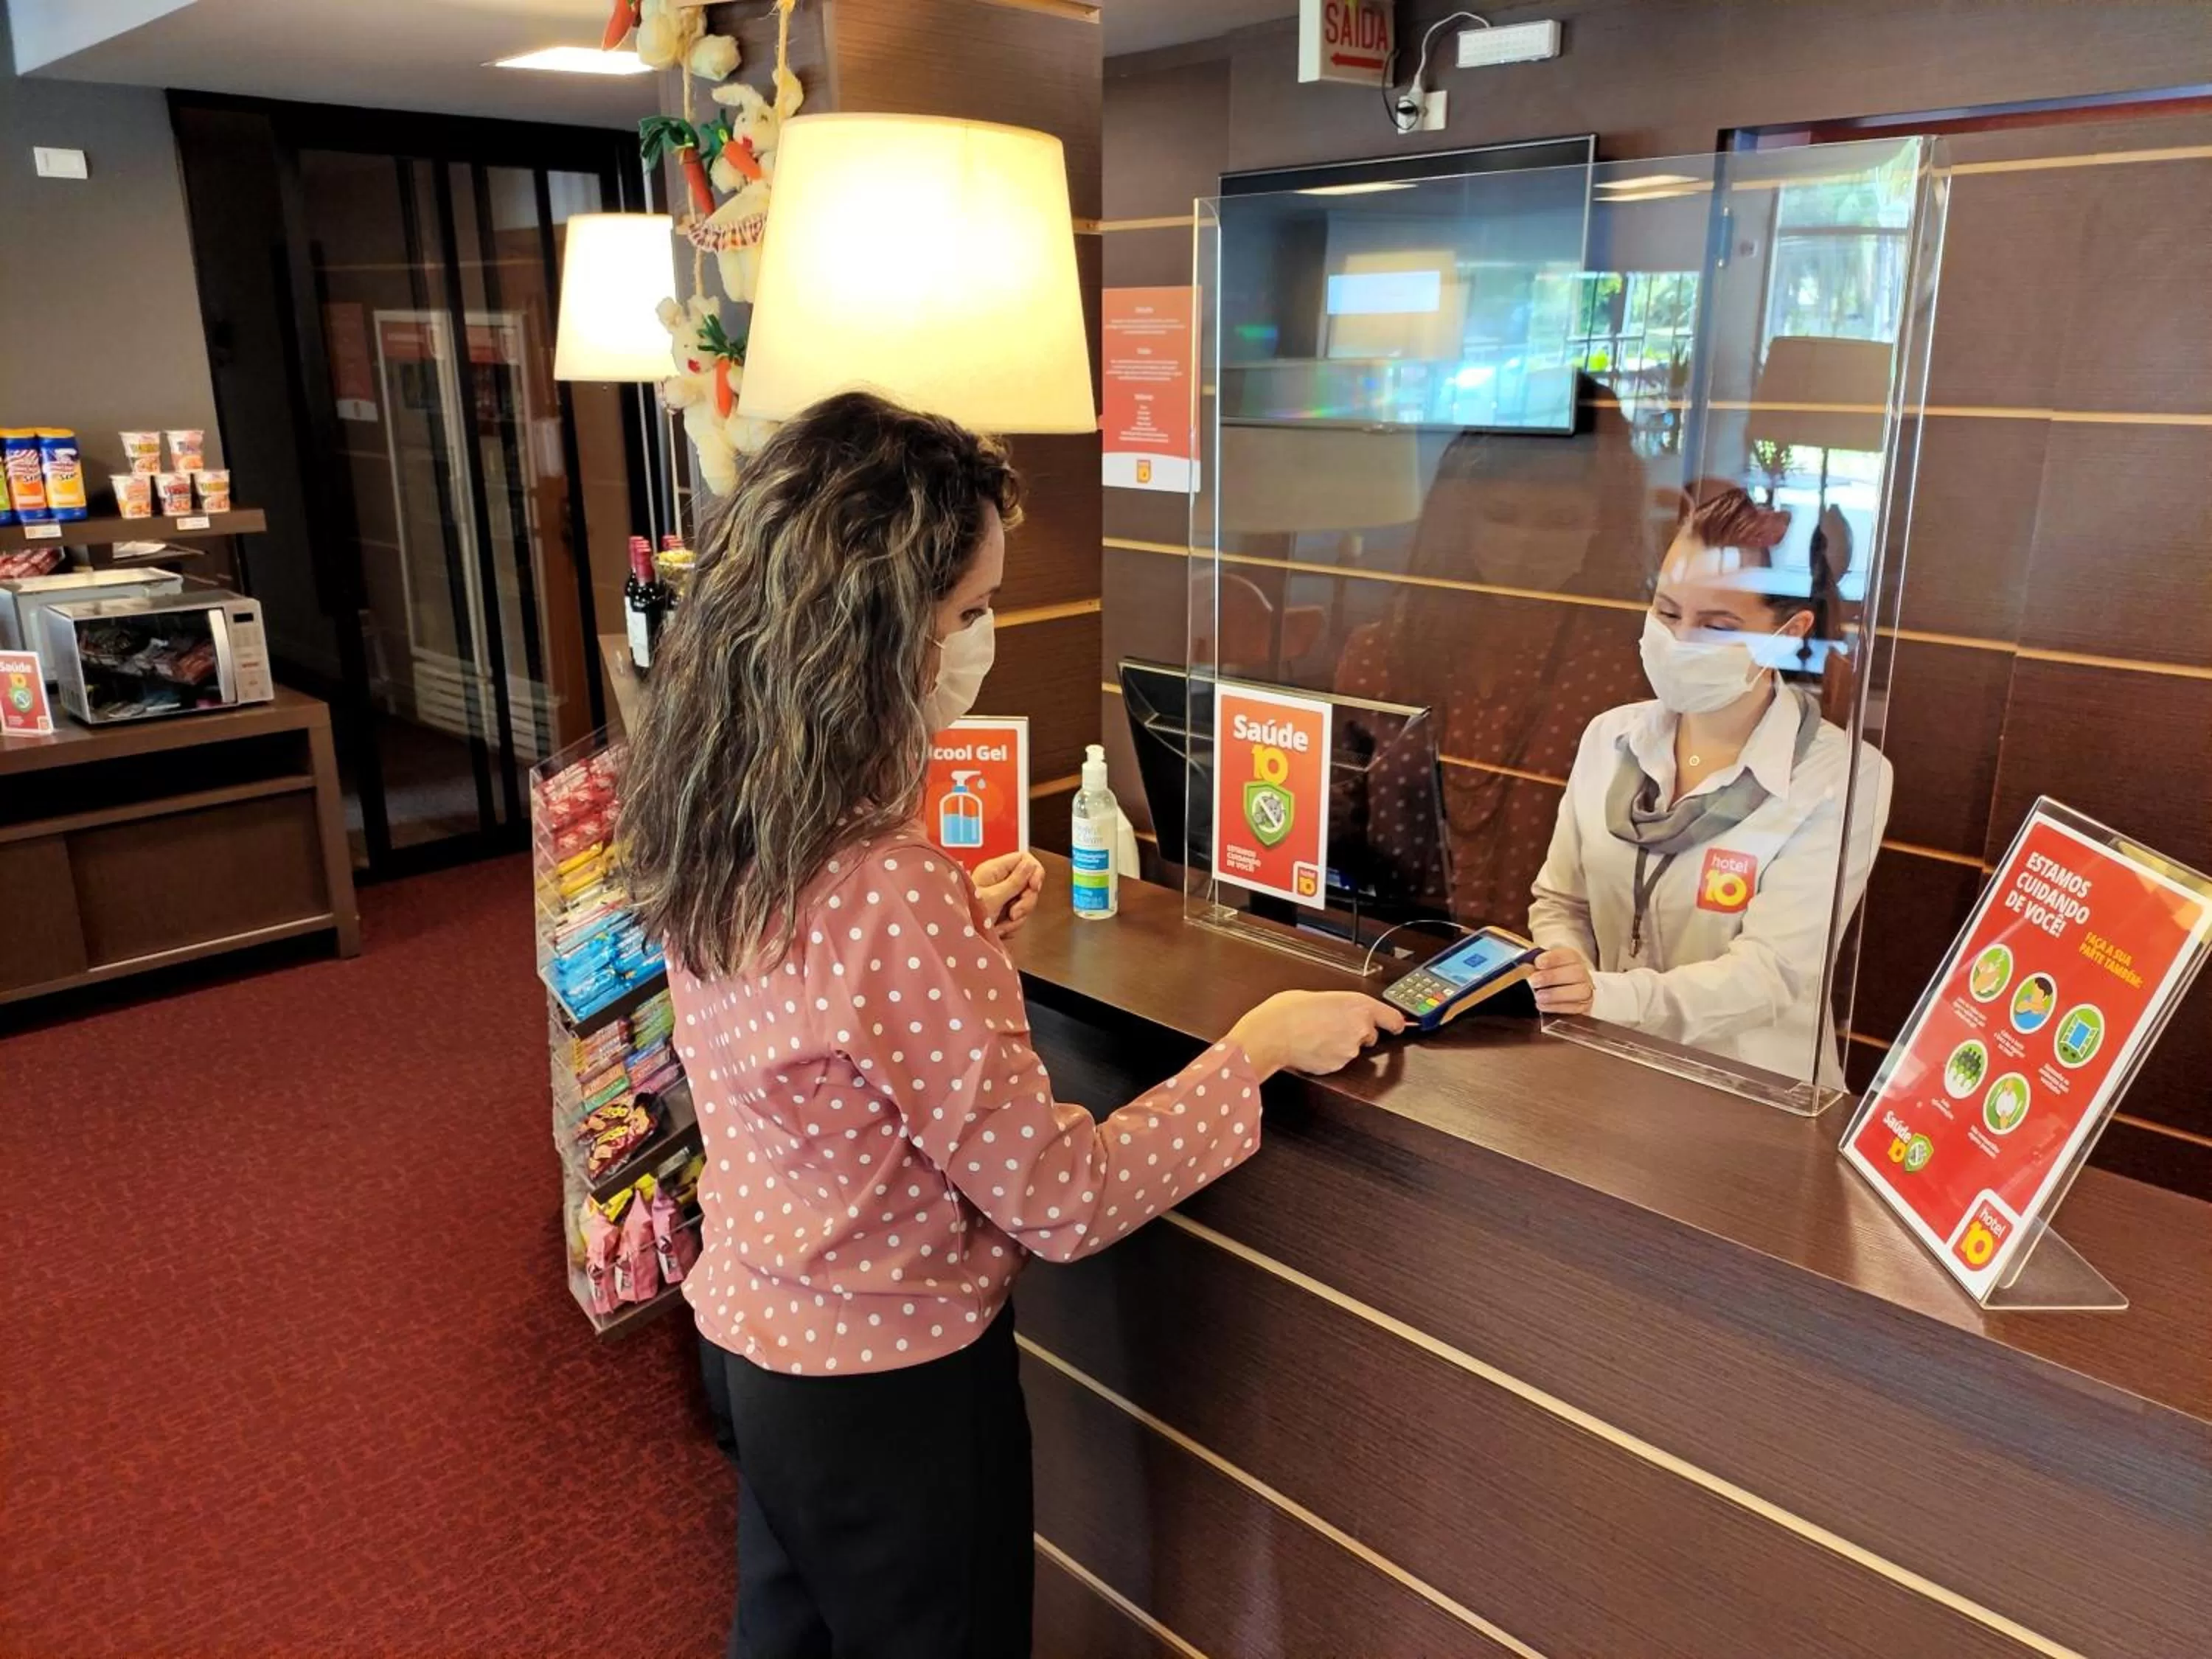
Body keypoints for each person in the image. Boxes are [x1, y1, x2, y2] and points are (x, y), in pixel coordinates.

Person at [618, 390, 1404, 1659]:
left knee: (789, 1639)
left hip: (755, 1350)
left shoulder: (722, 802)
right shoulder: (881, 884)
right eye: (973, 611)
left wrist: (947, 940)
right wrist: (1253, 1051)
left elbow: (801, 1030)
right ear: (874, 630)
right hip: (895, 1395)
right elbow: (1061, 1197)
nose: (988, 637)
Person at [1526, 482, 1891, 1088]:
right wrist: (1568, 970)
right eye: (1667, 613)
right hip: (1603, 1070)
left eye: (1716, 626)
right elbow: (1561, 902)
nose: (1679, 641)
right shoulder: (1610, 738)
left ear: (1790, 631)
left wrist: (1609, 998)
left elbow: (1770, 975)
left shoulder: (1844, 777)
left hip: (1750, 1101)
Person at [1333, 385, 1658, 923]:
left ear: (1602, 529)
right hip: (1396, 950)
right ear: (1462, 522)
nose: (1525, 544)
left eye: (1560, 521)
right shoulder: (1384, 653)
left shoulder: (1631, 675)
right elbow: (1337, 821)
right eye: (1502, 515)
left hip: (1560, 971)